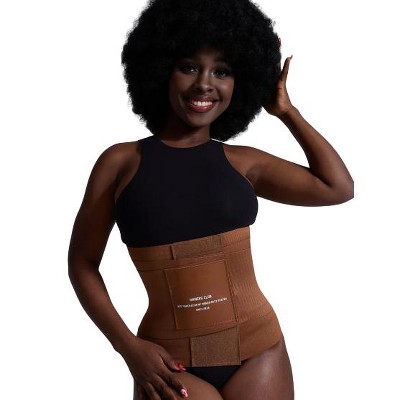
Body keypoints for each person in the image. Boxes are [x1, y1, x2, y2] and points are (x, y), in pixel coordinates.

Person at [68, 0, 354, 399]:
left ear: (241, 83)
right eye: (189, 67)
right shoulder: (121, 162)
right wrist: (128, 348)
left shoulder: (243, 162)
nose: (205, 83)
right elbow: (82, 264)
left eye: (222, 71)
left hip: (260, 350)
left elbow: (337, 187)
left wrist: (286, 110)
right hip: (168, 362)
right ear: (161, 70)